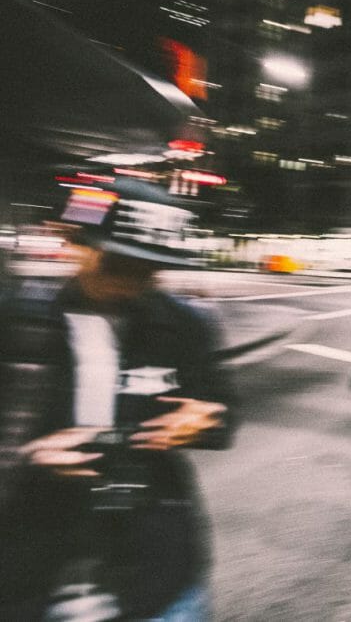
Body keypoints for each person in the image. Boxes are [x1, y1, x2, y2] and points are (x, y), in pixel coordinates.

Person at [0, 177, 234, 620]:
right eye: (119, 265)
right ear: (79, 244)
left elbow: (223, 413)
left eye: (147, 271)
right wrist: (30, 453)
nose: (131, 282)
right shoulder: (22, 323)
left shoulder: (184, 327)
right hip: (33, 570)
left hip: (157, 574)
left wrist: (207, 420)